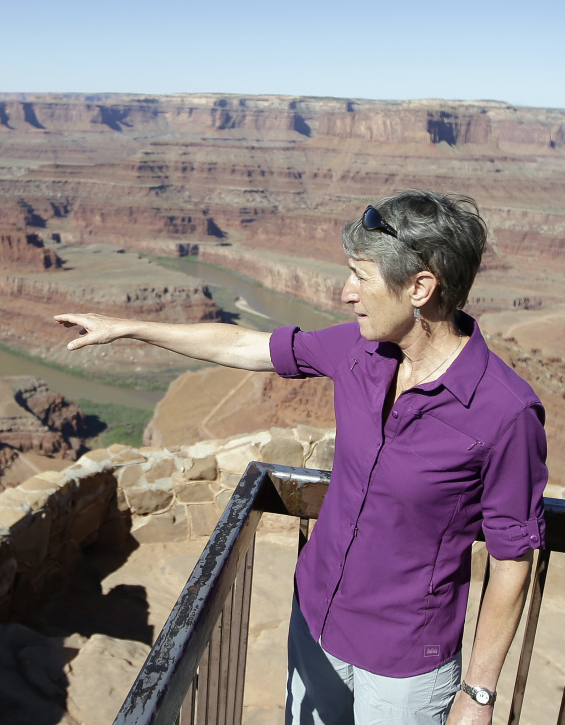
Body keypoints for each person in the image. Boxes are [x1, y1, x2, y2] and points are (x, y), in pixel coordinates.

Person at [54, 190, 547, 725]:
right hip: (315, 624)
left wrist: (477, 696)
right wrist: (133, 328)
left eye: (361, 276)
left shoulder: (505, 413)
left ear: (419, 288)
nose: (346, 292)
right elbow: (244, 347)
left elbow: (511, 561)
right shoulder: (361, 352)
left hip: (405, 666)